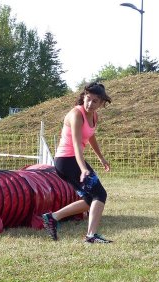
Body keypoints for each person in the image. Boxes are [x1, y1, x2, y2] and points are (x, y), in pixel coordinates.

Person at [42, 82, 113, 244]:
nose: (90, 104)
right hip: (67, 161)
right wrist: (83, 168)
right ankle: (91, 236)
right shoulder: (76, 115)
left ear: (102, 103)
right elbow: (76, 145)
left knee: (90, 200)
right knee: (100, 194)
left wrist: (101, 157)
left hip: (73, 160)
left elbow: (91, 136)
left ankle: (53, 217)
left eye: (95, 101)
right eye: (88, 99)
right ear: (84, 96)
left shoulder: (94, 115)